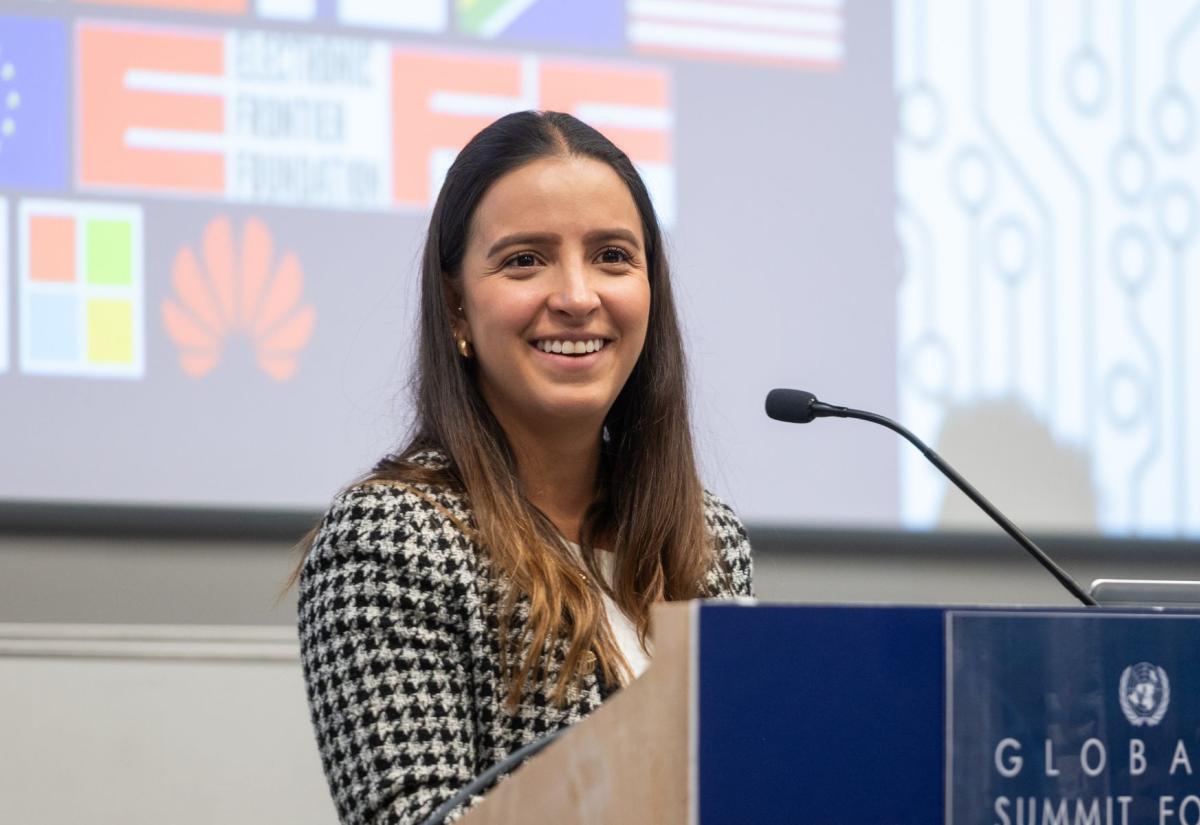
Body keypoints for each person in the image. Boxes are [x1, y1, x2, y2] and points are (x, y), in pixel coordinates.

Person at [295, 110, 753, 825]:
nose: (576, 296)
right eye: (524, 260)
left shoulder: (708, 535)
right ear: (455, 307)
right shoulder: (388, 538)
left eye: (611, 256)